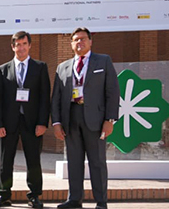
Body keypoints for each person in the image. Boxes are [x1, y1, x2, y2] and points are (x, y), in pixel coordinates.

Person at [51, 27, 119, 209]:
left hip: (95, 120)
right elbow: (56, 97)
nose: (79, 42)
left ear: (90, 41)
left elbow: (112, 92)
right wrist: (56, 123)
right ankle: (74, 199)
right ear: (71, 44)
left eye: (82, 39)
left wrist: (110, 120)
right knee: (74, 161)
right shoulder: (62, 67)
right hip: (71, 118)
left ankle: (101, 201)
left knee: (97, 161)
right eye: (75, 40)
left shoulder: (103, 61)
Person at [0, 32, 50, 209]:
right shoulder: (2, 70)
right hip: (8, 124)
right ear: (12, 46)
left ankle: (34, 196)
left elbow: (44, 97)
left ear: (29, 45)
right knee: (5, 160)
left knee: (33, 160)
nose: (21, 47)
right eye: (17, 44)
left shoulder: (40, 67)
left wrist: (42, 122)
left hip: (32, 123)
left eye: (24, 44)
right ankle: (4, 195)